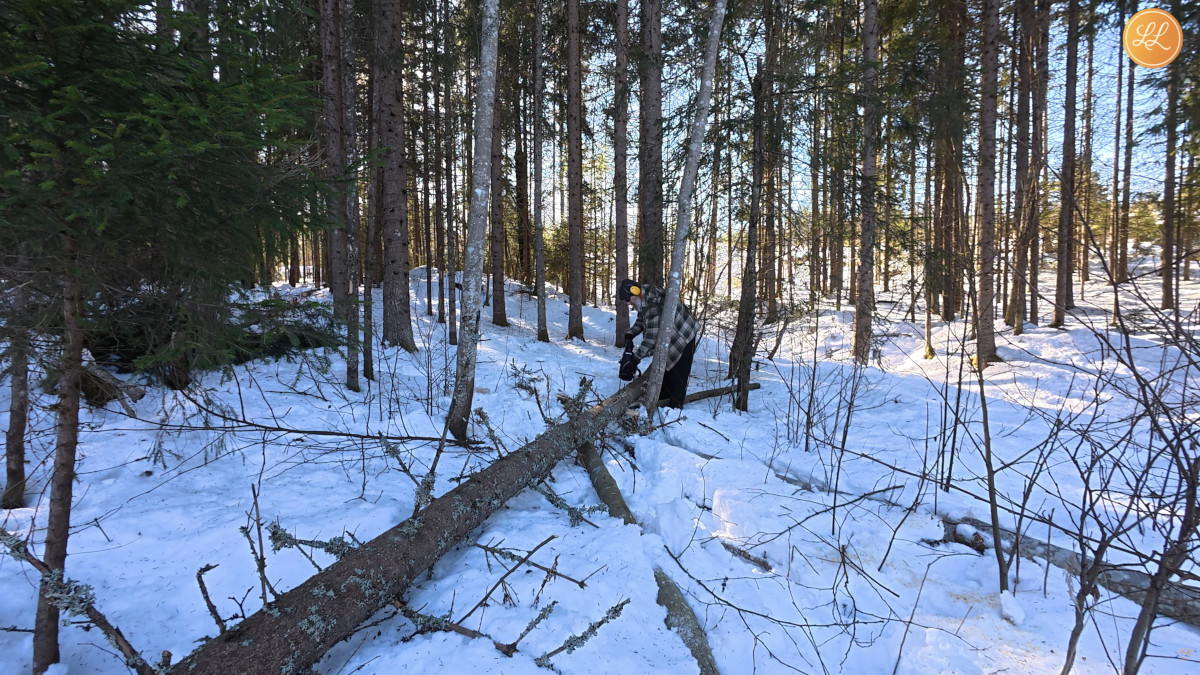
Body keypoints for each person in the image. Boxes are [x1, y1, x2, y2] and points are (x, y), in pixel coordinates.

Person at [616, 279, 698, 408]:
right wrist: (631, 333)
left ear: (635, 291)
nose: (628, 303)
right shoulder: (644, 296)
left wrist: (635, 359)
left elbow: (651, 338)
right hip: (672, 333)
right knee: (666, 368)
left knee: (678, 373)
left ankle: (675, 407)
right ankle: (663, 400)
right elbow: (642, 318)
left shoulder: (652, 305)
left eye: (628, 299)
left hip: (684, 333)